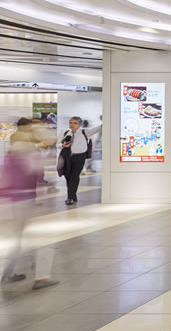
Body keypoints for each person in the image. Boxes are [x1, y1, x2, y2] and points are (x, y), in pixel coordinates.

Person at [2, 118, 58, 289]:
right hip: (25, 200)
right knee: (43, 238)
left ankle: (7, 272)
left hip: (10, 201)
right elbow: (38, 174)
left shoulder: (10, 155)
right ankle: (42, 277)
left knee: (17, 237)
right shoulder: (29, 154)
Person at [60, 116, 100, 205]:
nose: (72, 125)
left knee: (74, 176)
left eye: (75, 123)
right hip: (67, 157)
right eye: (70, 123)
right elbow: (58, 143)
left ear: (79, 125)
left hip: (79, 157)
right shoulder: (66, 133)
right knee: (68, 176)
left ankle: (69, 197)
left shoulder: (84, 132)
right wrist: (62, 145)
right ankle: (73, 195)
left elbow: (97, 129)